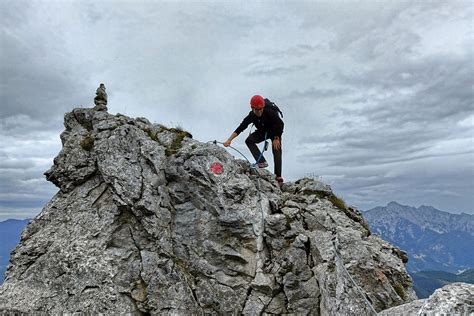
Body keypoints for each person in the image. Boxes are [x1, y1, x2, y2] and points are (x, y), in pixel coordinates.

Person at [224, 95, 284, 184]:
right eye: (257, 109)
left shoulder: (269, 112)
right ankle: (261, 162)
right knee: (249, 140)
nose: (259, 112)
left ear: (263, 107)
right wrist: (229, 140)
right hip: (262, 132)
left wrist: (276, 138)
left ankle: (278, 176)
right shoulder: (251, 115)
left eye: (261, 109)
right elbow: (241, 127)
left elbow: (280, 124)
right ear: (252, 108)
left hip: (274, 131)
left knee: (276, 148)